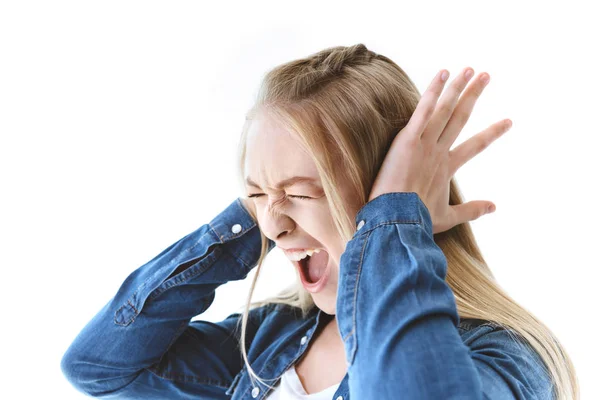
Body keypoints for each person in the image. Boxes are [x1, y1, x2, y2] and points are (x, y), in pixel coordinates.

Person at [60, 44, 578, 399]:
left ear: (391, 194)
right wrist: (258, 212)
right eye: (257, 195)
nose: (273, 226)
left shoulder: (505, 355)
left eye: (304, 193)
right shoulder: (270, 339)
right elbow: (97, 367)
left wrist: (395, 219)